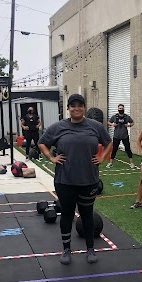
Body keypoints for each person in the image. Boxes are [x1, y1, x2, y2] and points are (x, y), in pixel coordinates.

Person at [38, 94, 112, 265]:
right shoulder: (58, 127)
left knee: (87, 214)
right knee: (67, 214)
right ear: (68, 108)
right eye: (73, 106)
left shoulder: (95, 126)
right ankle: (66, 249)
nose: (76, 108)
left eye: (80, 105)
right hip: (65, 180)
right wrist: (51, 157)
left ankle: (90, 249)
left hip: (89, 180)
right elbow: (42, 142)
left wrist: (101, 157)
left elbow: (108, 143)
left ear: (84, 107)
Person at [106, 104, 135, 168]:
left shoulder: (126, 117)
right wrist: (113, 124)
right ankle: (110, 163)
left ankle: (132, 163)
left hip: (125, 136)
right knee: (114, 150)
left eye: (122, 108)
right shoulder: (115, 116)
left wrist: (129, 125)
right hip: (116, 136)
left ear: (124, 109)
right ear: (118, 109)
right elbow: (108, 122)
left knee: (128, 149)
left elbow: (132, 122)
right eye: (120, 108)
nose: (121, 110)